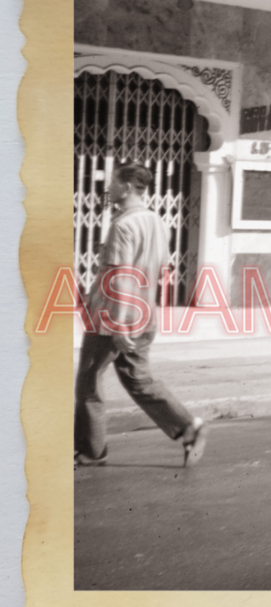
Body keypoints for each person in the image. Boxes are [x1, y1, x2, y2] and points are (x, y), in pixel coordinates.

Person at [75, 162, 208, 468]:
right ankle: (189, 426)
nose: (108, 188)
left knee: (89, 383)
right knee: (138, 379)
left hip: (113, 320)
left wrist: (119, 324)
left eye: (112, 182)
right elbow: (158, 268)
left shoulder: (122, 226)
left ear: (126, 187)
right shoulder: (157, 222)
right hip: (144, 315)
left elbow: (121, 277)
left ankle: (91, 451)